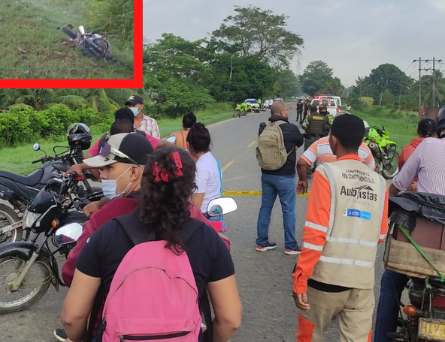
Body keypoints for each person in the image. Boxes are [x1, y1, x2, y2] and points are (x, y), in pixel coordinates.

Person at [61, 146, 242, 342]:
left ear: (144, 182)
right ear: (190, 188)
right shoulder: (208, 238)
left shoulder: (107, 232)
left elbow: (72, 317)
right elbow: (230, 320)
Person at [375, 102, 445, 342]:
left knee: (390, 282)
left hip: (421, 247)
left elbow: (397, 186)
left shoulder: (428, 145)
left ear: (441, 126)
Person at [293, 114, 389, 342]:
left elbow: (316, 233)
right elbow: (380, 234)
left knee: (310, 336)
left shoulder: (327, 174)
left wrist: (300, 277)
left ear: (333, 140)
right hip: (362, 284)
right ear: (361, 142)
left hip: (325, 280)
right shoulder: (379, 182)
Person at [256, 101, 304, 255]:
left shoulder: (264, 128)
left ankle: (261, 243)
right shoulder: (290, 128)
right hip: (285, 176)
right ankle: (290, 246)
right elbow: (300, 141)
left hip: (267, 174)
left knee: (265, 208)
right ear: (283, 112)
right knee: (288, 209)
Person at [296, 129, 377, 194]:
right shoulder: (364, 148)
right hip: (350, 195)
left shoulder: (320, 143)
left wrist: (303, 180)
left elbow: (301, 163)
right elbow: (372, 172)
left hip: (322, 193)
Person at [187, 123, 223, 218]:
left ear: (189, 145)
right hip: (213, 212)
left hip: (204, 215)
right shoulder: (210, 158)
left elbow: (196, 203)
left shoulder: (201, 168)